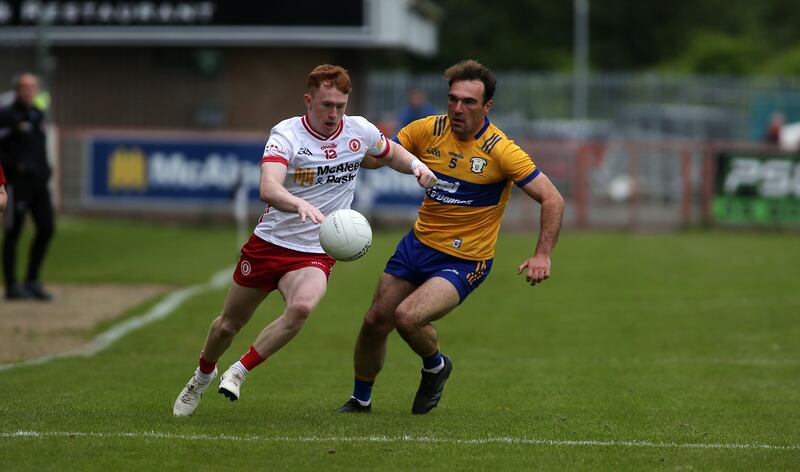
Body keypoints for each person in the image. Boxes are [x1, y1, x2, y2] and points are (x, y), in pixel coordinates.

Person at [172, 64, 437, 417]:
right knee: (227, 325)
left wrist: (417, 167)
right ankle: (202, 375)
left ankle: (240, 370)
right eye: (326, 105)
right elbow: (268, 187)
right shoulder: (287, 135)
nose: (333, 114)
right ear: (308, 101)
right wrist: (297, 203)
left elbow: (390, 153)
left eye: (340, 106)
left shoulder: (358, 130)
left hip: (316, 250)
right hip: (270, 244)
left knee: (301, 307)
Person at [337, 60, 565, 415]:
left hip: (464, 260)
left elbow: (552, 198)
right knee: (374, 321)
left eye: (469, 102)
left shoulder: (500, 150)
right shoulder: (426, 130)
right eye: (453, 99)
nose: (458, 108)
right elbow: (377, 160)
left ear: (487, 106)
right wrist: (346, 147)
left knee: (408, 317)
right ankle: (360, 400)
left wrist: (542, 254)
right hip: (416, 246)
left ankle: (436, 365)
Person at [0, 73, 55, 301]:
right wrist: (16, 168)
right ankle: (12, 285)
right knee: (13, 232)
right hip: (17, 184)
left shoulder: (38, 115)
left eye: (33, 87)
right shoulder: (7, 115)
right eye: (24, 87)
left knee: (47, 228)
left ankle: (32, 280)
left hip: (39, 185)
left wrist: (46, 168)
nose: (29, 91)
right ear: (17, 90)